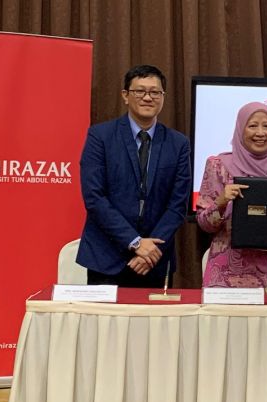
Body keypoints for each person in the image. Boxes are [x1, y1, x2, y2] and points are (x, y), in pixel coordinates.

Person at [76, 65, 191, 287]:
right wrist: (135, 242)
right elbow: (94, 197)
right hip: (106, 258)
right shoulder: (100, 136)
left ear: (163, 97)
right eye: (140, 91)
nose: (148, 97)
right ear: (125, 96)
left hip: (154, 260)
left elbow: (178, 204)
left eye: (155, 92)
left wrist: (150, 250)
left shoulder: (178, 143)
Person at [197, 102, 267, 287]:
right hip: (225, 273)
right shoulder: (218, 165)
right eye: (252, 126)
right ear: (240, 129)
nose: (260, 133)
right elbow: (204, 224)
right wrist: (221, 202)